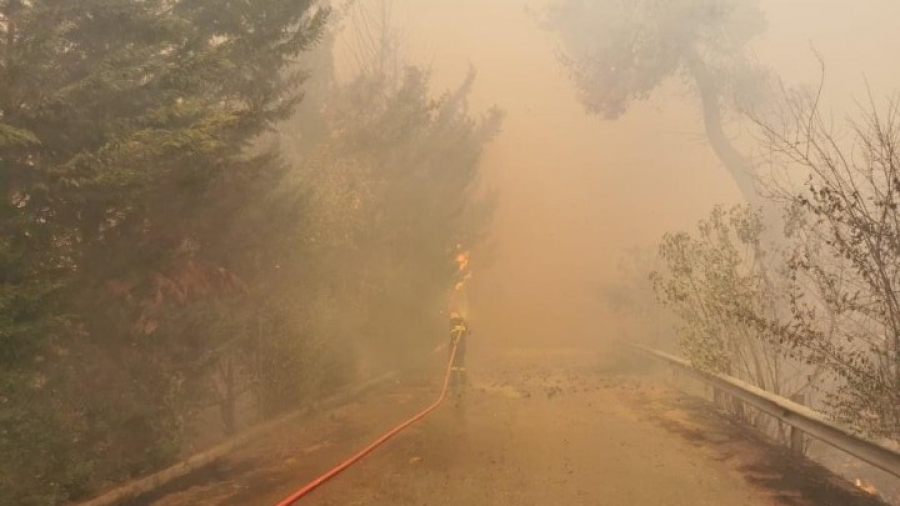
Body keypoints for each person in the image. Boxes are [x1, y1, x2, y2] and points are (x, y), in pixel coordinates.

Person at [448, 312, 470, 390]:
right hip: (461, 347)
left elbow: (453, 334)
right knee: (461, 363)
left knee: (454, 364)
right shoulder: (462, 323)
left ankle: (454, 381)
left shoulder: (454, 323)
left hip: (456, 347)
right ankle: (463, 380)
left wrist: (454, 341)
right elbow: (469, 332)